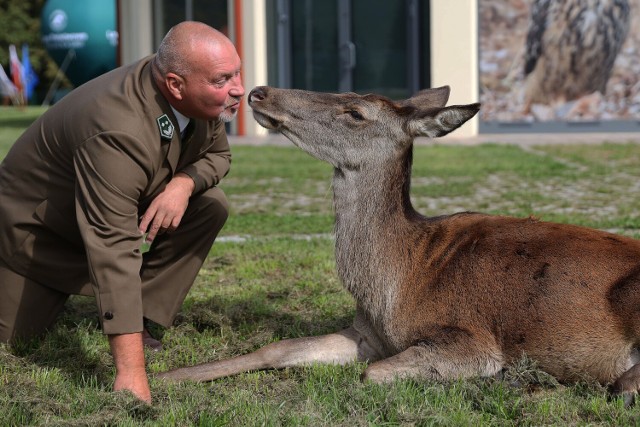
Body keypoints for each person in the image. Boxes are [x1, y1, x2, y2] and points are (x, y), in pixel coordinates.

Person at [0, 21, 244, 403]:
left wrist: (182, 185)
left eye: (236, 72)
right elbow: (113, 245)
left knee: (210, 205)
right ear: (176, 85)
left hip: (102, 214)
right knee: (17, 341)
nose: (238, 88)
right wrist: (131, 373)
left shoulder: (195, 92)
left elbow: (218, 155)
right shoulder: (117, 127)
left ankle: (140, 317)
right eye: (222, 79)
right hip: (39, 236)